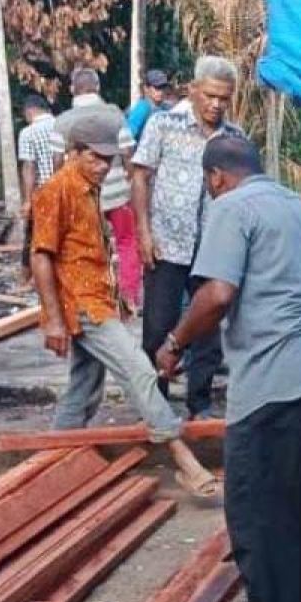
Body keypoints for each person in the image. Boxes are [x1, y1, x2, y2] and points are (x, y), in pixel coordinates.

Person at [154, 136, 301, 602]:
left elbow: (218, 294)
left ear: (216, 176)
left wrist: (173, 343)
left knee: (257, 514)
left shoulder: (230, 208)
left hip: (275, 380)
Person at [29, 113, 216, 497]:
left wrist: (118, 297)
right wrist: (51, 319)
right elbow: (41, 256)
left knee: (84, 389)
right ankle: (184, 460)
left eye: (108, 160)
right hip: (81, 304)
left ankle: (48, 467)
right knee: (140, 372)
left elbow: (88, 251)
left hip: (98, 300)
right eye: (95, 158)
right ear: (73, 152)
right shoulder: (56, 191)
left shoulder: (87, 187)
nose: (103, 166)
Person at [131, 55, 246, 419]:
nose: (215, 104)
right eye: (210, 95)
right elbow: (140, 176)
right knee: (157, 327)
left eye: (223, 98)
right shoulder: (164, 125)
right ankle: (156, 404)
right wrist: (144, 233)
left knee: (208, 330)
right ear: (193, 90)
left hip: (214, 249)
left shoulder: (235, 138)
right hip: (166, 244)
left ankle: (200, 403)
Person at [49, 68, 141, 310]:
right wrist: (130, 184)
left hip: (81, 196)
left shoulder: (63, 121)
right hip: (117, 193)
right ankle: (129, 297)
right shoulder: (115, 116)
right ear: (98, 87)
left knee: (85, 244)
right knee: (126, 241)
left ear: (72, 89)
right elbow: (128, 154)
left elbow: (57, 162)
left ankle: (91, 296)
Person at [17, 93, 57, 280]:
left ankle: (27, 278)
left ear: (30, 111)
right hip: (67, 190)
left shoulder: (28, 133)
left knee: (34, 237)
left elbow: (29, 166)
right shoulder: (62, 126)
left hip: (43, 192)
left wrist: (27, 200)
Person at [126, 69, 171, 142]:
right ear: (146, 88)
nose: (161, 91)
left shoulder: (167, 108)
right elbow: (125, 138)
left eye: (163, 87)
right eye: (157, 87)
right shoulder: (142, 108)